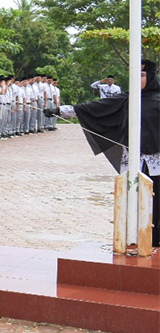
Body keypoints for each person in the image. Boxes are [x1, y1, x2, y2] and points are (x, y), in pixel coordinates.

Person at [52, 61, 160, 248]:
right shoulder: (127, 98)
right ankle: (132, 237)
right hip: (132, 160)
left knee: (155, 201)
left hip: (156, 162)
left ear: (151, 77)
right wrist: (61, 111)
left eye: (142, 76)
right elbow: (97, 108)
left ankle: (155, 238)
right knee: (130, 198)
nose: (138, 80)